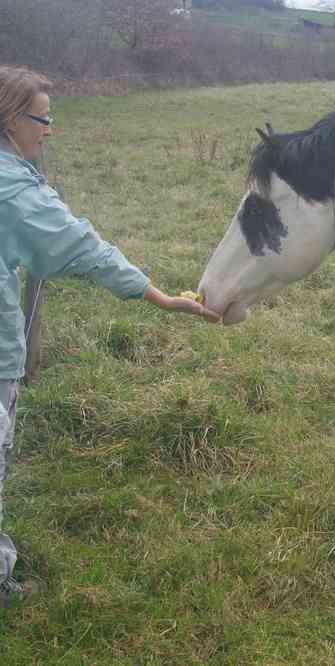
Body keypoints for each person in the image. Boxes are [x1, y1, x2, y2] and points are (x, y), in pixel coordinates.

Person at [0, 66, 219, 605]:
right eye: (43, 119)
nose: (49, 130)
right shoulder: (10, 189)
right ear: (10, 118)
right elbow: (80, 246)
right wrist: (158, 296)